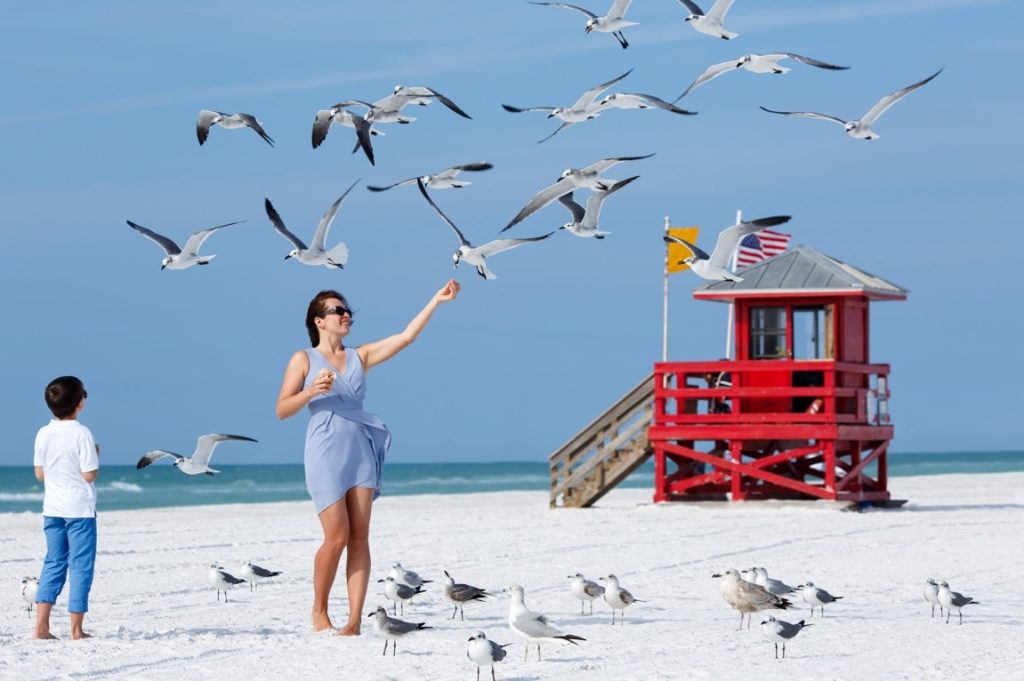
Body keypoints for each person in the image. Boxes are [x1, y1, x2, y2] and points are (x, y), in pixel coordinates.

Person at [275, 280, 460, 635]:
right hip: (325, 448)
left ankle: (355, 620)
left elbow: (405, 337)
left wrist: (435, 299)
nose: (346, 316)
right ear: (319, 320)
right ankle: (319, 611)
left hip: (361, 448)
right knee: (337, 536)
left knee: (360, 536)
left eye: (348, 312)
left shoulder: (360, 356)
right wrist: (312, 390)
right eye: (338, 311)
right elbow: (282, 409)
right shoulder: (303, 359)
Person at [32, 375, 99, 640]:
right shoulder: (82, 433)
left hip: (52, 509)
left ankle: (41, 626)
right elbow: (89, 475)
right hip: (79, 510)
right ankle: (76, 629)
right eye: (84, 394)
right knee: (80, 566)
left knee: (53, 562)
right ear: (79, 404)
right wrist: (96, 454)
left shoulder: (43, 432)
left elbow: (40, 474)